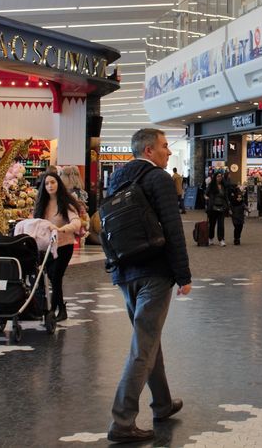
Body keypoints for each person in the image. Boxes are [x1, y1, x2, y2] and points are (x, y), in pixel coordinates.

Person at [105, 128, 192, 444]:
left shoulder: (117, 179)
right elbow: (173, 229)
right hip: (154, 272)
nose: (169, 152)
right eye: (165, 146)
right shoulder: (159, 180)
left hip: (126, 272)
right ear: (148, 150)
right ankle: (122, 420)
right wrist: (183, 275)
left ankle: (163, 403)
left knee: (148, 337)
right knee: (143, 346)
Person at [29, 171, 83, 322]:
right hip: (46, 248)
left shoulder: (65, 203)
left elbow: (76, 221)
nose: (50, 186)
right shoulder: (41, 204)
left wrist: (64, 229)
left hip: (64, 246)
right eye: (47, 183)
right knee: (45, 277)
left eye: (53, 182)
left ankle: (55, 309)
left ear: (58, 183)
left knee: (55, 276)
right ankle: (52, 308)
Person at [205, 171, 230, 246]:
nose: (220, 178)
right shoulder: (211, 185)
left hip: (221, 207)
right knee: (212, 224)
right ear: (215, 177)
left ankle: (221, 239)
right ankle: (210, 238)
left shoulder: (223, 186)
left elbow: (226, 197)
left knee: (221, 225)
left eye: (221, 176)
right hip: (213, 207)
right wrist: (207, 198)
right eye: (218, 176)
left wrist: (228, 204)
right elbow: (205, 194)